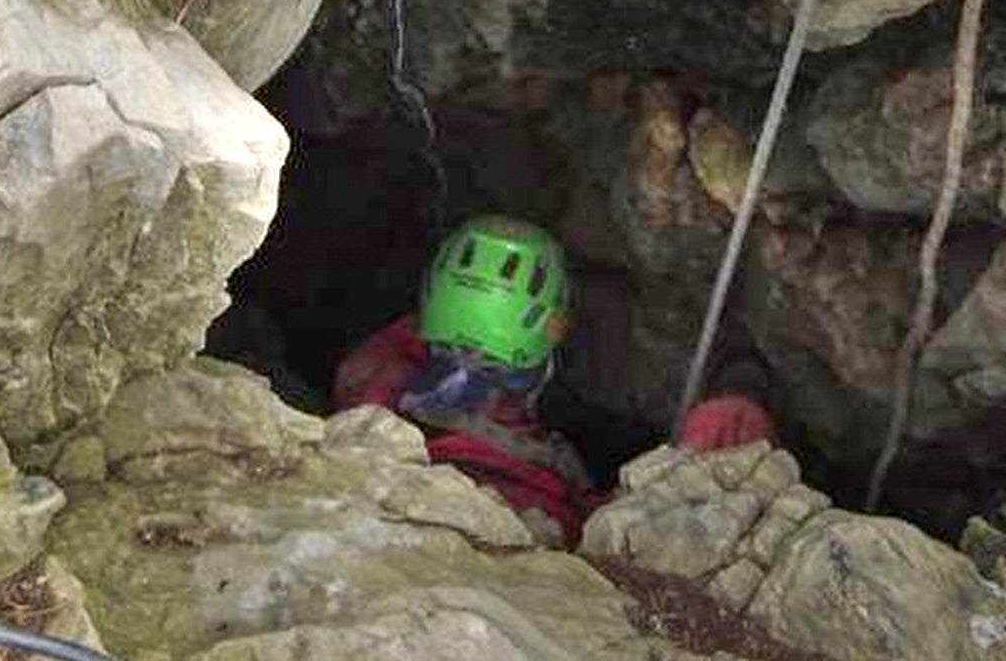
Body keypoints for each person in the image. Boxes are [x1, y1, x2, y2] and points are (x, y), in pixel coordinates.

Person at [330, 216, 781, 546]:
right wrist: (729, 412)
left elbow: (403, 346)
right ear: (551, 335)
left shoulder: (367, 391)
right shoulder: (547, 506)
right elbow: (626, 535)